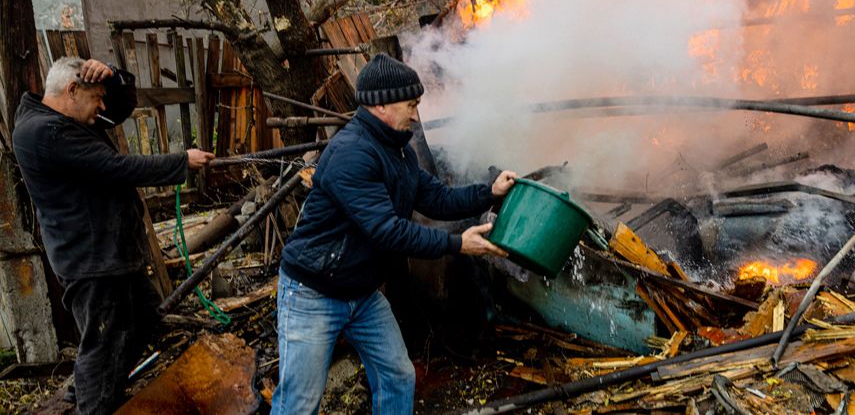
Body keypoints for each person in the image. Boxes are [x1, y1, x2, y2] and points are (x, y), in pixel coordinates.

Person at [272, 53, 517, 415]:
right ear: (381, 104)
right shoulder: (351, 154)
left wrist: (488, 192)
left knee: (398, 377)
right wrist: (457, 244)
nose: (416, 115)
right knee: (299, 403)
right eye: (411, 104)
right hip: (314, 293)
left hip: (361, 293)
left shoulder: (398, 152)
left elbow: (436, 198)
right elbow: (388, 231)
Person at [12, 57, 215, 414]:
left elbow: (116, 109)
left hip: (111, 254)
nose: (102, 107)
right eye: (96, 98)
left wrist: (113, 76)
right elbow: (116, 168)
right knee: (101, 344)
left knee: (145, 317)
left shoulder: (66, 116)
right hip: (91, 262)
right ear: (72, 90)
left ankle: (101, 388)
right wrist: (181, 162)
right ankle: (94, 401)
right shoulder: (46, 133)